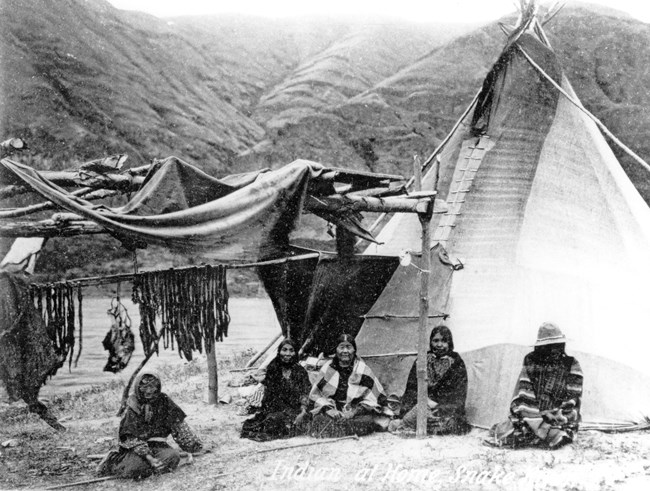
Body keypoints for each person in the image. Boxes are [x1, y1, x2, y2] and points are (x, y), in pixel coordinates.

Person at [488, 322, 583, 449]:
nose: (555, 350)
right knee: (515, 426)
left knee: (562, 427)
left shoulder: (571, 363)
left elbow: (573, 396)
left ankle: (547, 433)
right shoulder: (531, 361)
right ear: (542, 347)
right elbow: (524, 393)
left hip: (559, 414)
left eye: (557, 345)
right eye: (550, 346)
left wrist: (556, 413)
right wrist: (540, 414)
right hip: (533, 412)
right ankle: (544, 432)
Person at [97, 370, 202, 479]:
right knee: (134, 468)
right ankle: (113, 460)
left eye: (152, 387)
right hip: (135, 449)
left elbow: (178, 425)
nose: (148, 391)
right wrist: (150, 458)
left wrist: (193, 446)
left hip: (158, 446)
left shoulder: (164, 401)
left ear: (158, 387)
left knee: (173, 457)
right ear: (138, 388)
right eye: (144, 388)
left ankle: (150, 468)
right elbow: (129, 437)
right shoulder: (133, 405)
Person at [392, 325, 471, 435]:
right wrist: (424, 401)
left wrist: (439, 406)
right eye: (435, 341)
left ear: (450, 343)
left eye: (444, 341)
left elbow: (459, 394)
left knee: (450, 423)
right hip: (422, 405)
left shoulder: (457, 363)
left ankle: (417, 425)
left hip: (444, 410)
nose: (439, 345)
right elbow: (411, 389)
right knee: (415, 415)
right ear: (430, 342)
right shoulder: (422, 361)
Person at [309, 334, 391, 438]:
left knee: (367, 421)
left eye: (349, 347)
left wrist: (353, 412)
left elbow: (372, 399)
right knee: (319, 419)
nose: (345, 351)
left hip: (354, 413)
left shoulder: (363, 369)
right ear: (336, 350)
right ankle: (344, 431)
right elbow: (316, 395)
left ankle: (336, 431)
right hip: (333, 411)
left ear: (354, 350)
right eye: (341, 347)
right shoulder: (327, 368)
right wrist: (329, 410)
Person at [241, 338, 311, 441]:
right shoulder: (273, 368)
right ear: (279, 352)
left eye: (291, 350)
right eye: (285, 350)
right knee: (275, 420)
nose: (287, 354)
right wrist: (288, 412)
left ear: (295, 353)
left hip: (296, 408)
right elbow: (271, 397)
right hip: (276, 408)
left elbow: (305, 391)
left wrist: (303, 410)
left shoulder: (300, 370)